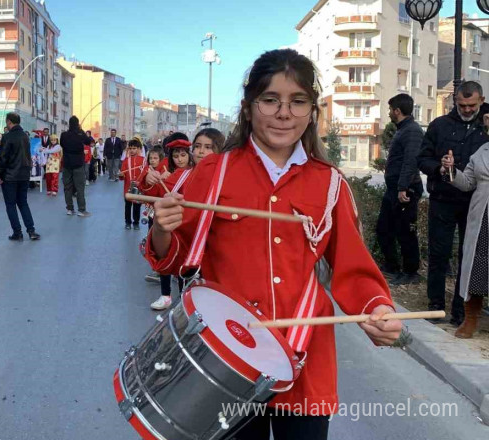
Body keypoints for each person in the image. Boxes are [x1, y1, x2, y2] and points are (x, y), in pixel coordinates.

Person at [147, 49, 401, 438]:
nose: (284, 113)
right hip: (228, 358)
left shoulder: (330, 183)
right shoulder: (215, 173)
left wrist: (377, 308)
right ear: (249, 108)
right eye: (270, 100)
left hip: (304, 362)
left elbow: (353, 266)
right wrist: (163, 229)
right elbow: (177, 259)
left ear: (312, 112)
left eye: (298, 102)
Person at [417, 80, 489, 325]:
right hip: (443, 199)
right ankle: (435, 306)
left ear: (481, 100)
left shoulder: (486, 126)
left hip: (475, 203)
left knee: (468, 257)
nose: (467, 110)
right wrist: (439, 168)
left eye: (471, 105)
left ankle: (461, 312)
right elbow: (422, 158)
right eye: (462, 105)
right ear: (454, 101)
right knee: (439, 254)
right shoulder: (439, 125)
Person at [141, 136, 195, 309]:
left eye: (183, 155)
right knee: (165, 258)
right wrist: (149, 178)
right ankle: (166, 295)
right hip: (169, 225)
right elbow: (151, 192)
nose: (180, 159)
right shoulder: (168, 176)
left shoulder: (197, 173)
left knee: (184, 264)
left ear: (189, 155)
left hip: (187, 225)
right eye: (176, 156)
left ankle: (183, 300)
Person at [378, 93, 425, 286]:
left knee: (405, 231)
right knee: (384, 228)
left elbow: (411, 161)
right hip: (395, 189)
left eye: (390, 109)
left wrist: (403, 187)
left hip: (406, 190)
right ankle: (392, 266)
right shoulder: (403, 129)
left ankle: (411, 272)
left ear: (397, 111)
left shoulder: (412, 131)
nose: (389, 113)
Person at [446, 145, 489, 338]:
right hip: (481, 218)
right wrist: (452, 169)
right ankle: (470, 318)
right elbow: (468, 182)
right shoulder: (483, 151)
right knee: (476, 269)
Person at [0, 112, 41, 240]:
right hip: (24, 175)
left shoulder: (7, 137)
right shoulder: (26, 136)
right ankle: (31, 230)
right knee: (23, 203)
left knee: (11, 205)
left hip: (10, 176)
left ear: (9, 122)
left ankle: (17, 232)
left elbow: (3, 158)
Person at [140, 145, 169, 284]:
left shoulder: (166, 171)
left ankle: (161, 270)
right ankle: (157, 269)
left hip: (163, 212)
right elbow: (144, 188)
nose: (152, 160)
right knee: (153, 239)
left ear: (161, 159)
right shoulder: (148, 171)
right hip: (152, 212)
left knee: (162, 243)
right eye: (150, 158)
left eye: (155, 158)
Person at [60, 116, 92, 217]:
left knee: (67, 187)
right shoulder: (80, 134)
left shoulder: (64, 135)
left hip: (67, 164)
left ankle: (69, 209)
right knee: (80, 188)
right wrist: (81, 130)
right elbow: (88, 141)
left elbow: (62, 145)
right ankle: (81, 210)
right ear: (77, 124)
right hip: (78, 164)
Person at [120, 139, 146, 230]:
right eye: (130, 148)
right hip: (127, 188)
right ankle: (127, 222)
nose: (132, 150)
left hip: (138, 188)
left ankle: (136, 223)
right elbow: (122, 175)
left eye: (134, 148)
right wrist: (121, 175)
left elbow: (145, 174)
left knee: (137, 206)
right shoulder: (126, 161)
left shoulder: (143, 161)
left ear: (139, 149)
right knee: (127, 206)